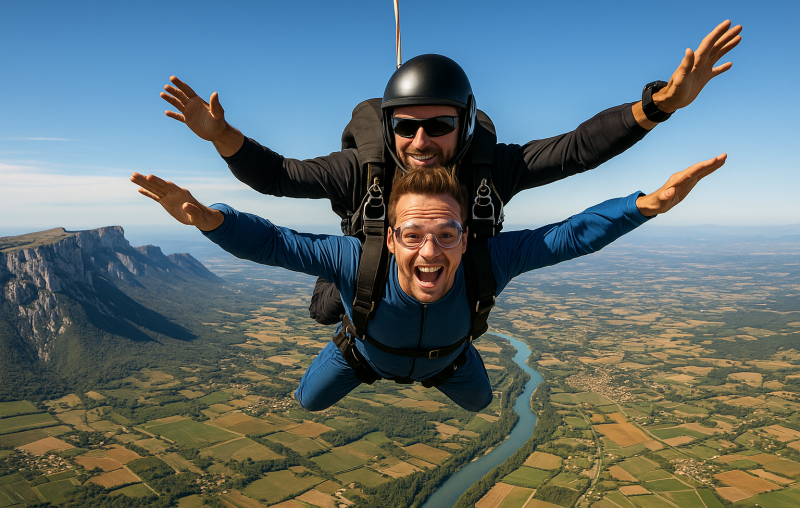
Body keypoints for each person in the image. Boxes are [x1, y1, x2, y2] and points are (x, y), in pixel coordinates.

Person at [159, 21, 742, 328]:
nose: (420, 142)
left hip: (452, 283)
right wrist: (223, 139)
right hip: (370, 276)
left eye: (437, 125)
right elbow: (278, 176)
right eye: (405, 127)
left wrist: (661, 104)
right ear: (387, 128)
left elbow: (577, 149)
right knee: (336, 313)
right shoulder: (358, 170)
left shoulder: (493, 168)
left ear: (463, 124)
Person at [131, 153, 726, 411]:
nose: (430, 250)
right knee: (306, 402)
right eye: (413, 235)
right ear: (388, 238)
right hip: (361, 357)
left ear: (467, 237)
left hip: (448, 362)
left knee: (482, 402)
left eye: (446, 234)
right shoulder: (352, 261)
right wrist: (207, 219)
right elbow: (273, 243)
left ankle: (426, 369)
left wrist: (647, 204)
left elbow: (571, 235)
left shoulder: (489, 261)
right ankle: (353, 349)